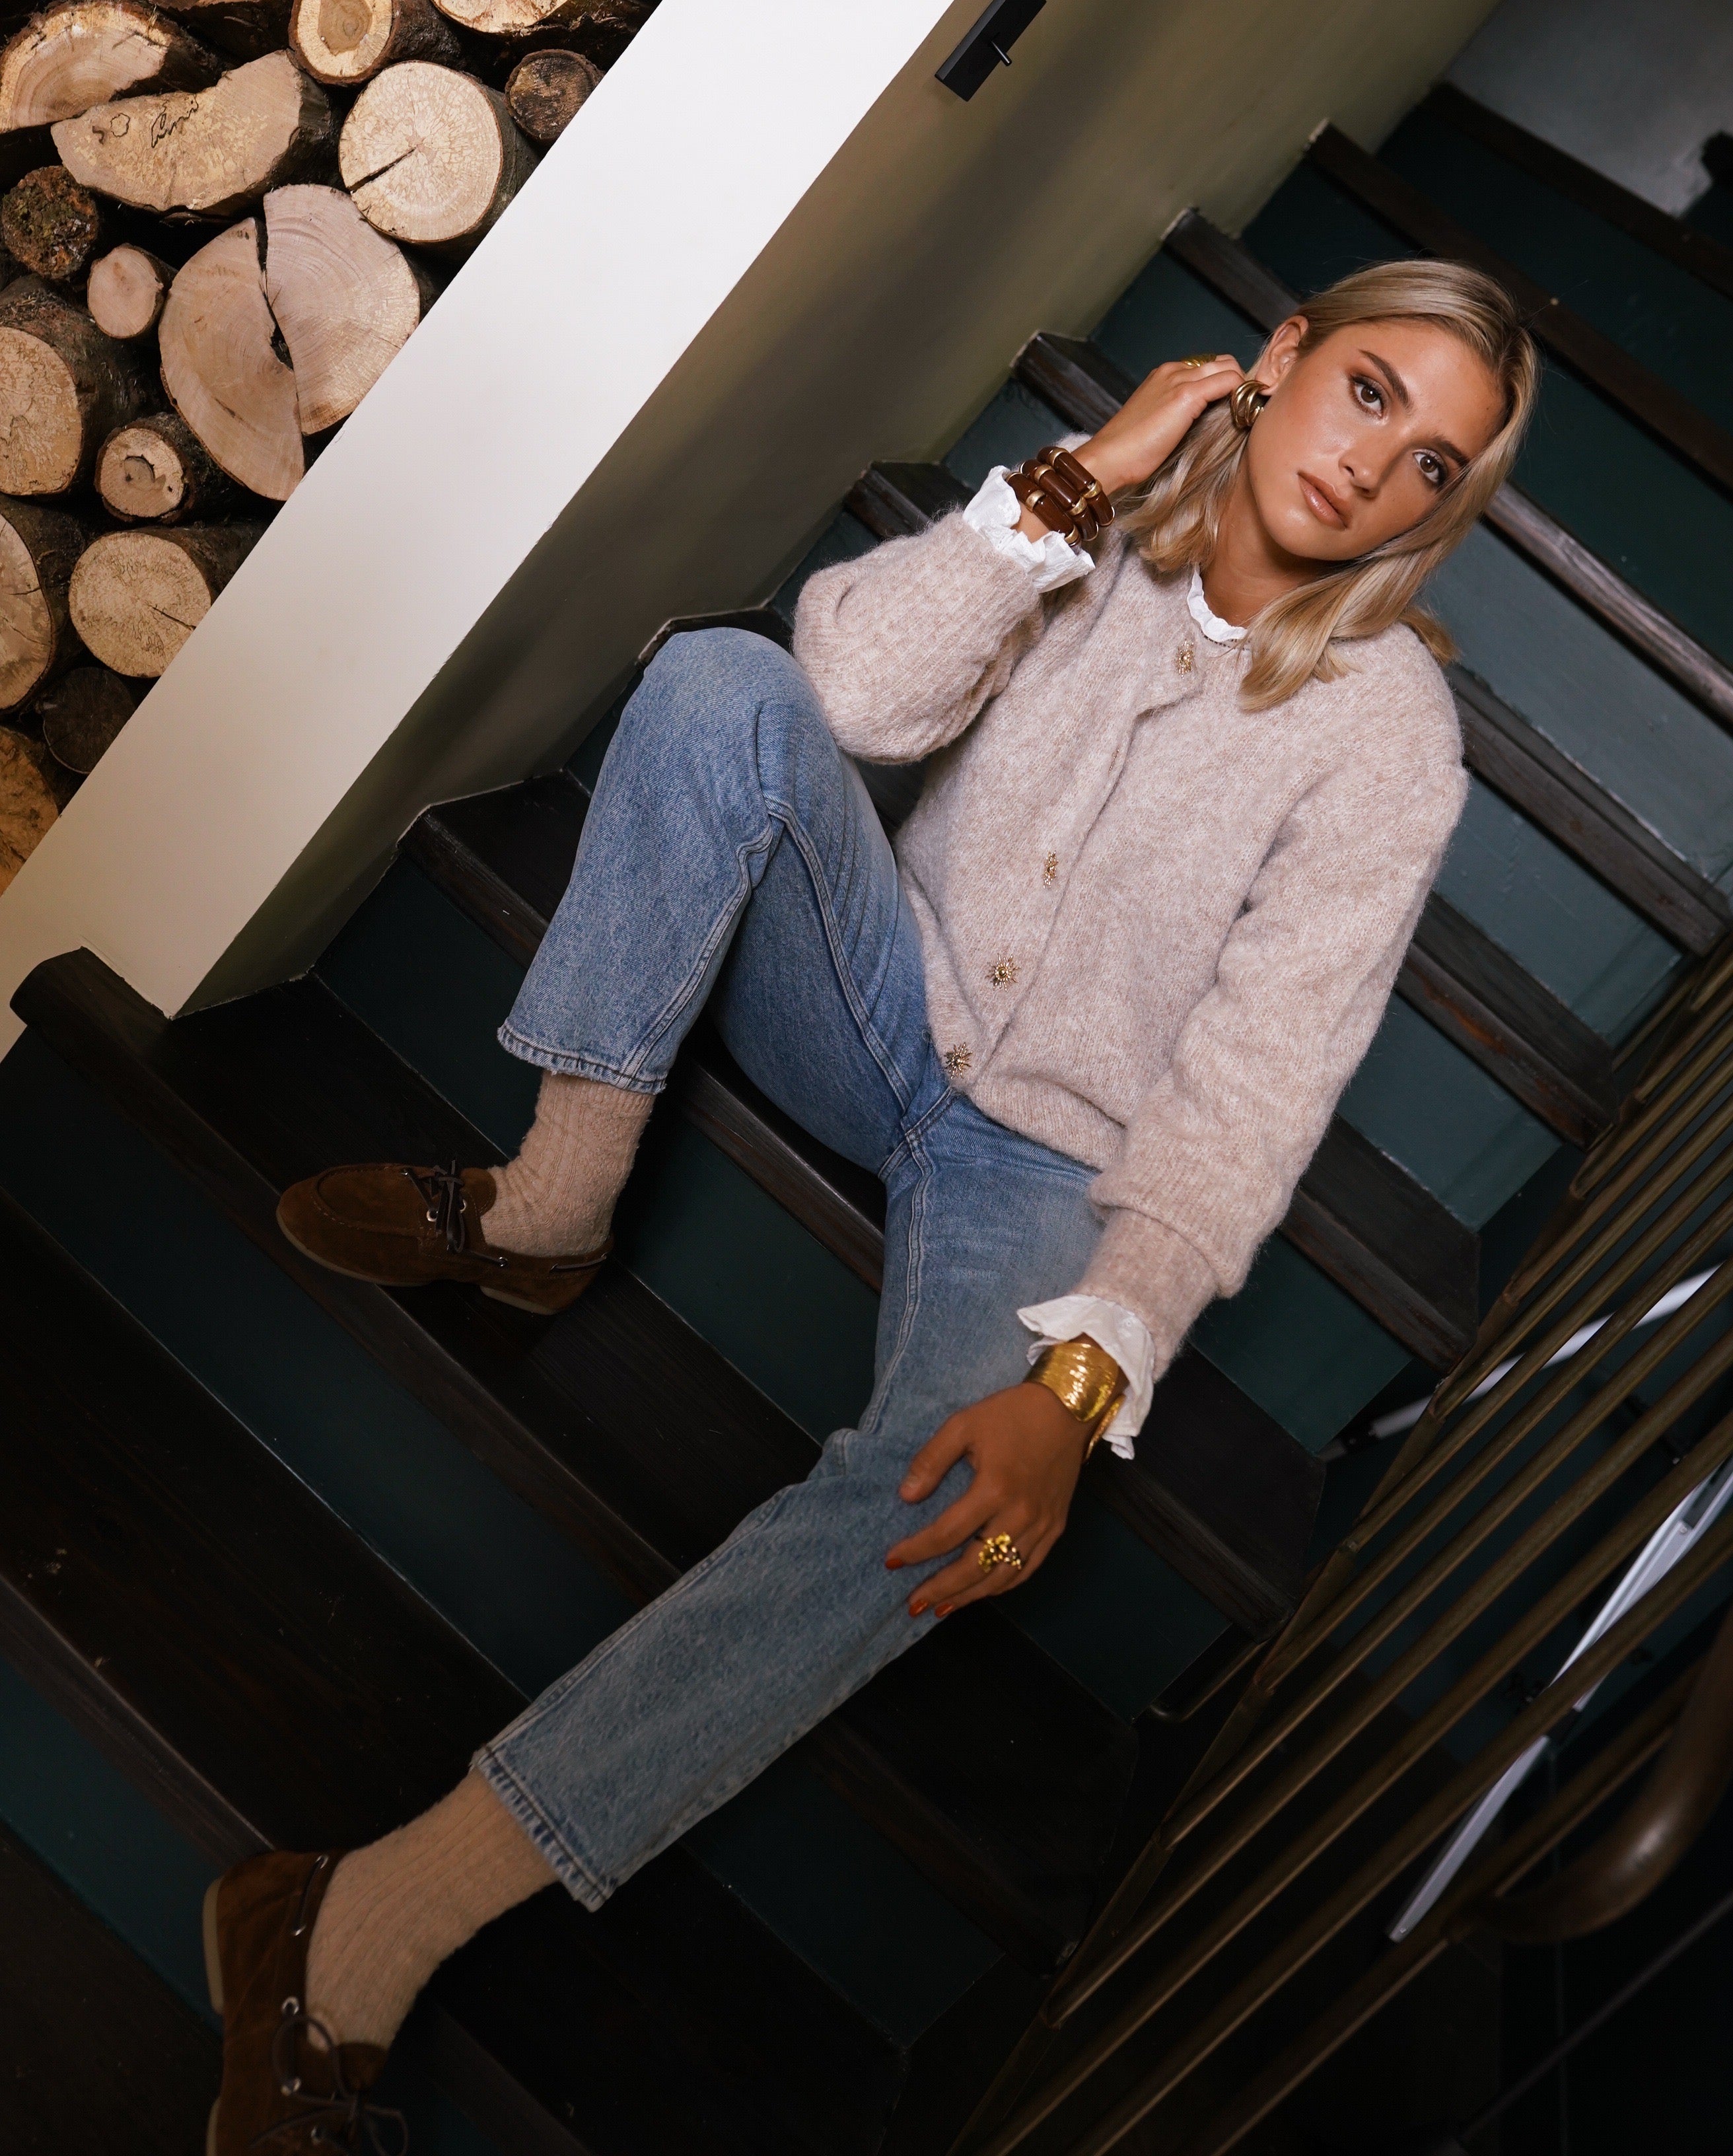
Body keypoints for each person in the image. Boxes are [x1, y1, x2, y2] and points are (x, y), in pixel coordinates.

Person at [207, 258, 1540, 2149]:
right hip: (873, 994)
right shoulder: (1097, 519)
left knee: (949, 1506)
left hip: (1049, 1167)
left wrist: (1089, 1378)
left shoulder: (1391, 740)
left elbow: (1256, 1093)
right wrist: (1071, 488)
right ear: (1282, 356)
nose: (1378, 465)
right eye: (1373, 392)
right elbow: (841, 691)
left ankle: (362, 1922)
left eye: (1437, 466)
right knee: (721, 679)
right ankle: (555, 1201)